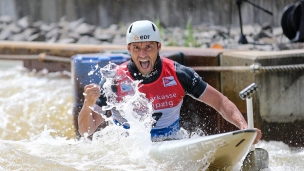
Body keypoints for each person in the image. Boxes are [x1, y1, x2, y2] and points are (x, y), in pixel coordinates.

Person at [78, 20, 262, 144]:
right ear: (129, 49)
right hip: (129, 147)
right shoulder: (114, 80)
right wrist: (88, 106)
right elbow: (86, 131)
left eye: (148, 47)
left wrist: (245, 128)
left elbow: (220, 102)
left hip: (170, 141)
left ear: (159, 47)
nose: (142, 54)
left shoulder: (179, 74)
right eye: (137, 48)